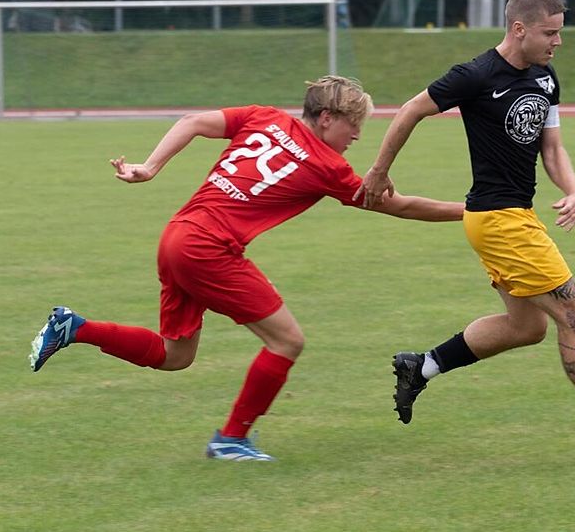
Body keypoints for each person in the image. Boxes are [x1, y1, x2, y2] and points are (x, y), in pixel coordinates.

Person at [29, 76, 464, 462]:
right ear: (328, 117)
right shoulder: (328, 167)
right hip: (208, 249)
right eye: (354, 124)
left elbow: (193, 121)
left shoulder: (264, 117)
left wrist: (151, 166)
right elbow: (397, 206)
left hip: (177, 236)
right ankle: (231, 440)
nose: (357, 135)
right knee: (287, 340)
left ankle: (74, 328)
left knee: (175, 355)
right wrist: (471, 210)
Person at [355, 0, 575, 465]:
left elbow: (552, 148)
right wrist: (379, 172)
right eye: (550, 33)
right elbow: (410, 110)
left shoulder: (546, 79)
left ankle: (420, 367)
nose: (558, 42)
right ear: (519, 28)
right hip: (497, 219)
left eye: (560, 32)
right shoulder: (475, 75)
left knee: (526, 327)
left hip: (514, 216)